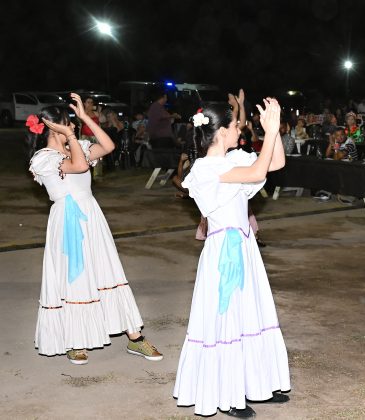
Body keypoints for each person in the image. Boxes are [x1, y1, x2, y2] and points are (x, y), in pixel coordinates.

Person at [173, 99, 290, 418]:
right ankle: (225, 394)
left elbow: (273, 163)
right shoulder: (206, 168)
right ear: (222, 132)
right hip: (225, 250)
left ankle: (256, 384)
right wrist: (267, 130)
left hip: (244, 246)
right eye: (234, 124)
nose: (239, 127)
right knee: (227, 318)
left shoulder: (232, 159)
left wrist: (273, 131)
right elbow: (257, 170)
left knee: (250, 314)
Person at [27, 93, 162, 365]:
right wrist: (70, 136)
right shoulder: (43, 158)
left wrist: (86, 117)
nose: (73, 126)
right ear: (53, 127)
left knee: (106, 270)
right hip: (67, 220)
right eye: (68, 122)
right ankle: (75, 340)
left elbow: (109, 146)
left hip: (91, 215)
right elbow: (77, 166)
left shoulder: (80, 145)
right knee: (74, 277)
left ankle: (135, 338)